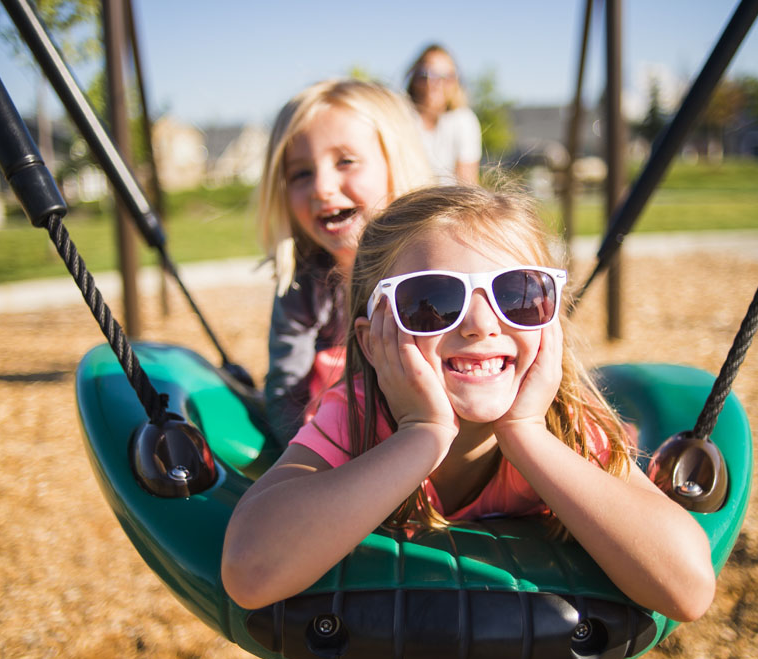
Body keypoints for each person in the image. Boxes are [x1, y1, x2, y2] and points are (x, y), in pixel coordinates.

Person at [223, 184, 716, 622]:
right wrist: (423, 434)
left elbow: (687, 590)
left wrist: (525, 434)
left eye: (519, 294)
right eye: (432, 301)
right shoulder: (355, 417)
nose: (482, 324)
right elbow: (251, 572)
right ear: (373, 342)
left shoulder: (565, 423)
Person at [258, 79, 432, 446]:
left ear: (394, 162)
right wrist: (308, 458)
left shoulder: (436, 274)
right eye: (301, 173)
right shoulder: (304, 286)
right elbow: (286, 394)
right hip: (336, 446)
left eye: (345, 161)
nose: (321, 187)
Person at [405, 44, 482, 184]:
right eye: (425, 75)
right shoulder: (401, 117)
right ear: (414, 78)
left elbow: (467, 183)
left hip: (447, 203)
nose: (433, 83)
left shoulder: (464, 120)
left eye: (445, 77)